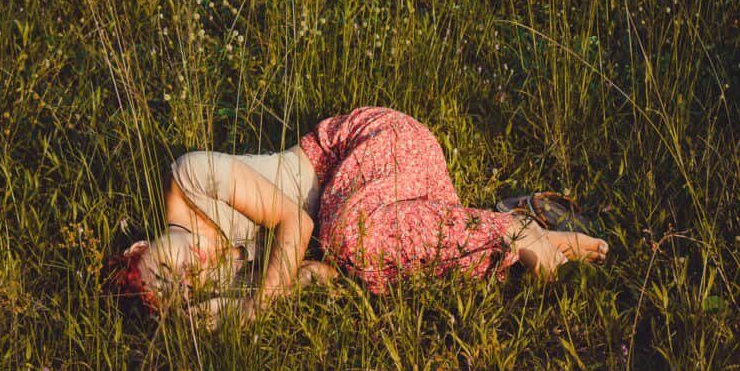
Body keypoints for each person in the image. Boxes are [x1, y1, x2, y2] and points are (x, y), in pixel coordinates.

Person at [110, 107, 608, 323]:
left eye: (169, 267)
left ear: (141, 246)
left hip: (372, 146)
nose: (193, 269)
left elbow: (297, 225)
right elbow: (313, 273)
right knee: (366, 261)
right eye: (184, 288)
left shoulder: (192, 176)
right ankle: (529, 231)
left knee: (352, 236)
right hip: (399, 203)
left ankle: (513, 229)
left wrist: (254, 310)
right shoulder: (230, 267)